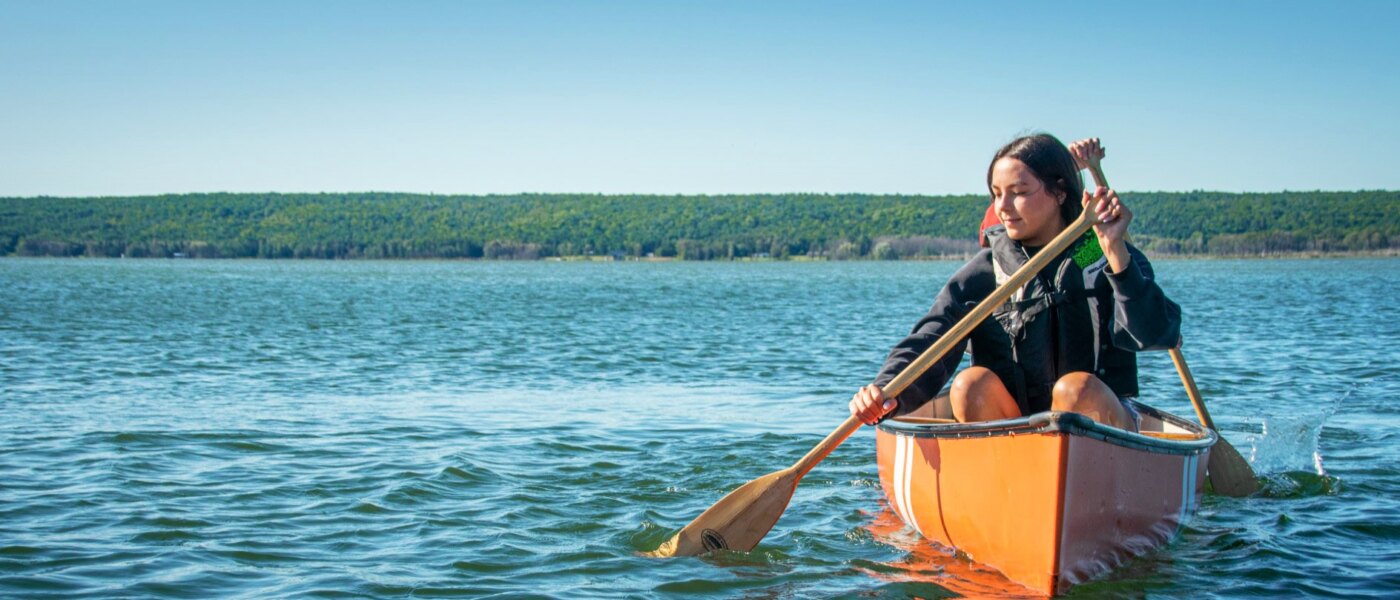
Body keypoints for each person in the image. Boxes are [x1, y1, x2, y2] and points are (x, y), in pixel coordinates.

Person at [849, 134, 1180, 431]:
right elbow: (930, 339)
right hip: (1015, 431)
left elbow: (1156, 334)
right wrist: (884, 389)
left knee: (1075, 390)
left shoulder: (1095, 254)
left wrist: (1116, 255)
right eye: (996, 194)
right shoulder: (986, 271)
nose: (1002, 208)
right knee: (970, 384)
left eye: (1018, 193)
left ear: (1060, 192)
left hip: (1099, 427)